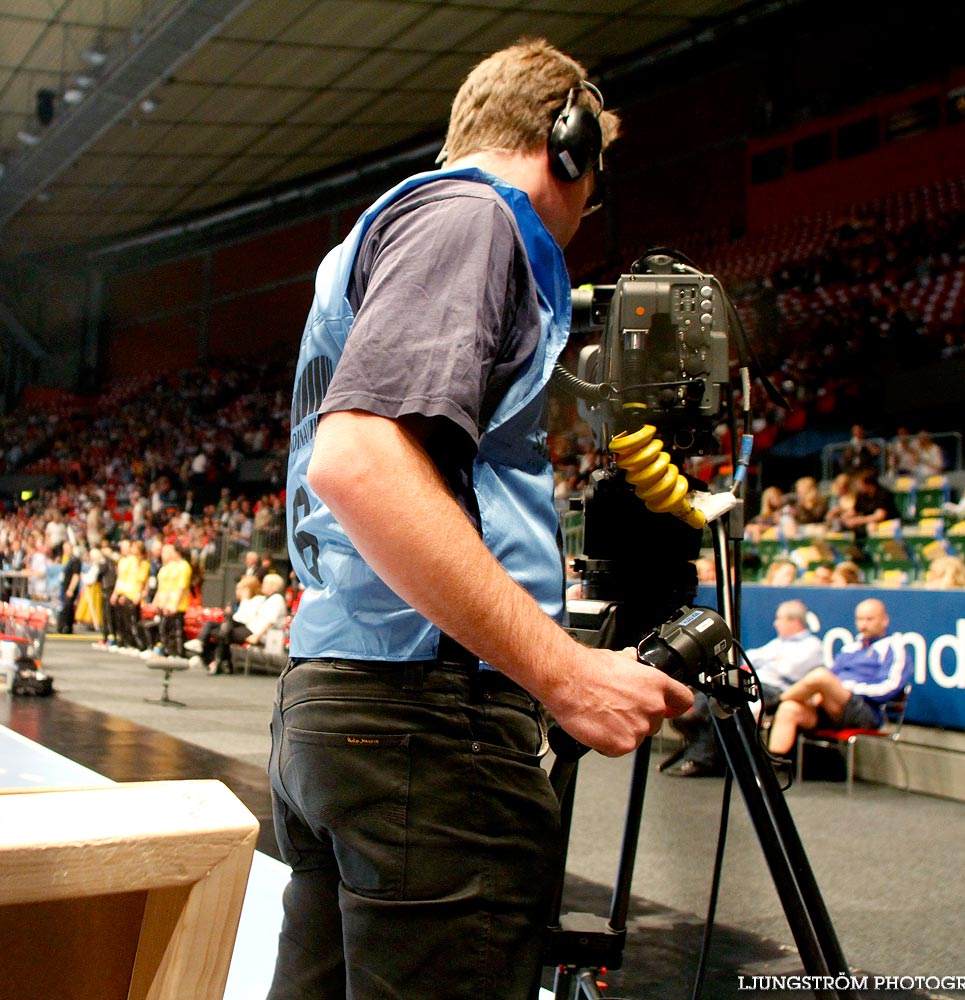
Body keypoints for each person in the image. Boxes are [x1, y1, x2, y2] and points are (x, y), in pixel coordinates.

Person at [272, 37, 693, 1000]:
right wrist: (565, 673)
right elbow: (362, 460)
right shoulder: (474, 217)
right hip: (426, 724)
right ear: (569, 145)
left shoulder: (382, 236)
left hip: (354, 704)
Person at [665, 600, 823, 777]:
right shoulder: (778, 643)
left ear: (795, 622)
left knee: (722, 700)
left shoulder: (812, 646)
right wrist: (770, 660)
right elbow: (750, 657)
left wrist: (767, 661)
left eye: (780, 619)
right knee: (714, 691)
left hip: (775, 691)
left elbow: (787, 670)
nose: (775, 623)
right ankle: (694, 723)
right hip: (756, 680)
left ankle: (696, 736)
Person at [766, 598, 911, 758]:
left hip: (865, 710)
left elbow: (890, 687)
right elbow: (833, 677)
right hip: (832, 708)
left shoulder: (894, 648)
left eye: (869, 619)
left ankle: (770, 705)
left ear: (884, 620)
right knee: (789, 709)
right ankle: (773, 767)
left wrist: (848, 688)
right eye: (860, 619)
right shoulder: (851, 648)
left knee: (820, 676)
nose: (863, 624)